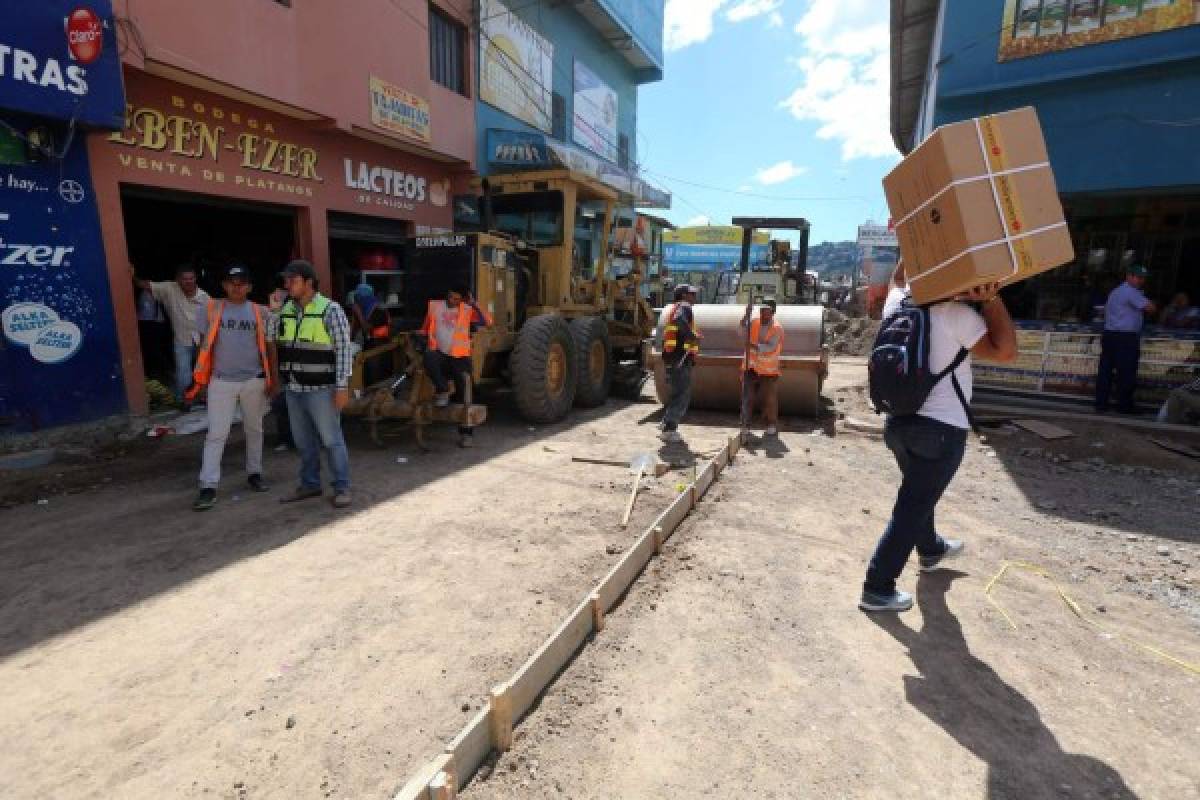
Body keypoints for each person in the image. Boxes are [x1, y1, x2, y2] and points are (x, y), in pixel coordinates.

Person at [860, 264, 1018, 612]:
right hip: (941, 432)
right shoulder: (956, 316)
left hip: (897, 425)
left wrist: (916, 238)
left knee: (918, 492)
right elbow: (1006, 351)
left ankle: (930, 548)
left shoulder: (897, 304)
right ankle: (877, 586)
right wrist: (991, 299)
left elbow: (899, 279)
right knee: (912, 505)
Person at [188, 265, 276, 511]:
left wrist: (273, 380)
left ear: (249, 287)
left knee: (254, 429)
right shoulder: (210, 309)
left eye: (242, 283)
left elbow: (270, 347)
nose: (237, 287)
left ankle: (255, 474)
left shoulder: (262, 312)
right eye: (232, 282)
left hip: (253, 381)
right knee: (216, 434)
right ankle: (208, 486)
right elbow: (202, 346)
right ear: (224, 285)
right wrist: (201, 380)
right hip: (221, 381)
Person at [273, 259, 355, 508]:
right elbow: (269, 336)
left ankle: (342, 487)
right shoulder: (285, 309)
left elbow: (343, 350)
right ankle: (310, 484)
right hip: (294, 389)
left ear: (308, 283)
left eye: (293, 280)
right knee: (304, 442)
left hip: (322, 389)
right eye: (286, 280)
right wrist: (274, 311)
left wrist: (341, 387)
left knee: (331, 440)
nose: (287, 285)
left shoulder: (331, 309)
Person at [420, 285, 492, 447]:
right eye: (452, 297)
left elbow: (487, 322)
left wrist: (474, 304)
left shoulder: (467, 309)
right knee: (429, 357)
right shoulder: (435, 307)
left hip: (459, 357)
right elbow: (425, 329)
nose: (454, 301)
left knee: (464, 392)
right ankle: (442, 390)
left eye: (458, 299)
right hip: (440, 354)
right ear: (447, 295)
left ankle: (466, 434)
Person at [133, 265, 210, 404]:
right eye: (184, 279)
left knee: (204, 374)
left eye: (191, 278)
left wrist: (206, 346)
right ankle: (181, 400)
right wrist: (131, 275)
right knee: (184, 376)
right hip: (182, 341)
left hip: (203, 342)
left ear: (195, 278)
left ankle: (203, 398)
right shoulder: (169, 289)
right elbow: (144, 285)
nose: (188, 281)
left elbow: (211, 323)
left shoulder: (205, 298)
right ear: (177, 280)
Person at [1095, 265, 1157, 415]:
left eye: (1143, 278)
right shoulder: (1131, 292)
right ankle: (1124, 406)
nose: (1141, 281)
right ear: (1128, 276)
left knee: (1106, 372)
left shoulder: (1116, 291)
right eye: (1138, 277)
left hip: (1110, 335)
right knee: (1126, 373)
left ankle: (1101, 404)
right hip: (1124, 338)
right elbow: (1151, 308)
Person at [659, 284, 701, 443]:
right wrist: (691, 336)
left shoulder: (676, 307)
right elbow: (678, 320)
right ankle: (670, 429)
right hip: (680, 358)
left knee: (677, 392)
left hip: (674, 357)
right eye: (692, 294)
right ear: (684, 296)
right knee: (682, 394)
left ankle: (666, 424)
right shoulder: (684, 306)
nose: (694, 297)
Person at [740, 299, 785, 438]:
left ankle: (770, 424)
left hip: (768, 370)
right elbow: (743, 327)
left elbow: (770, 347)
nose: (763, 313)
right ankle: (745, 425)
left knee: (769, 399)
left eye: (766, 311)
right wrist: (746, 314)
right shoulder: (754, 322)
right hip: (751, 367)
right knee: (748, 397)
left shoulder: (777, 328)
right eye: (761, 310)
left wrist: (752, 346)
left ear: (772, 312)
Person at [349, 283, 393, 388]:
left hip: (380, 347)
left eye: (358, 299)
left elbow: (366, 328)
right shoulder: (364, 310)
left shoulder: (379, 309)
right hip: (369, 345)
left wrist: (359, 313)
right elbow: (355, 330)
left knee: (376, 377)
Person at [267, 287, 294, 452]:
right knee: (282, 404)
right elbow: (271, 341)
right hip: (282, 367)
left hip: (298, 366)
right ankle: (285, 438)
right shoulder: (274, 315)